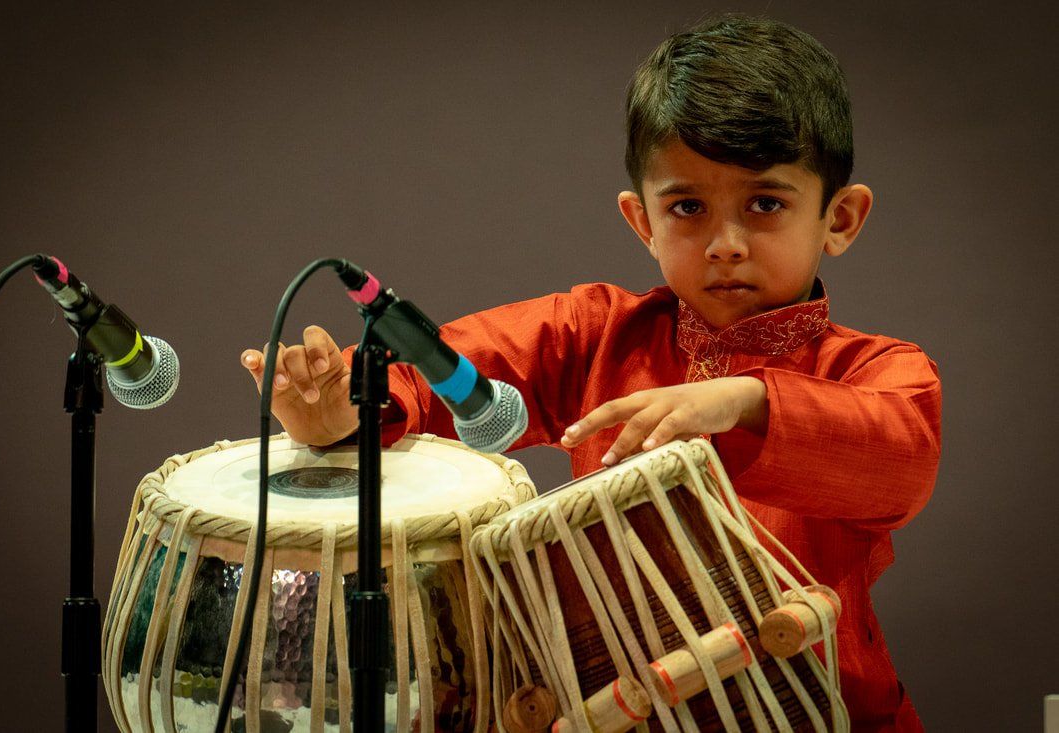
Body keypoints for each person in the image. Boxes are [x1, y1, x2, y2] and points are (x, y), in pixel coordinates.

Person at [240, 15, 940, 731]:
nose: (726, 244)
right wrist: (344, 409)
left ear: (841, 218)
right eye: (688, 208)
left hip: (830, 713)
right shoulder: (594, 333)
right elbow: (436, 375)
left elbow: (900, 458)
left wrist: (746, 402)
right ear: (642, 222)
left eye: (765, 204)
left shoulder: (876, 371)